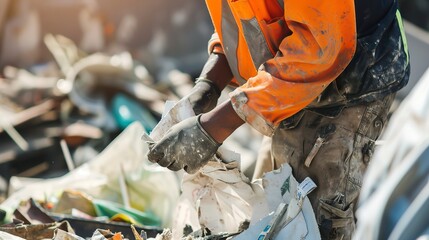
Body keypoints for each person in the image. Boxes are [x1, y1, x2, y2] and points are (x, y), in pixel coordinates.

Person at [147, 0, 410, 239]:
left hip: (349, 83)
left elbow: (319, 49)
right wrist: (208, 84)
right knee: (269, 215)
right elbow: (246, 17)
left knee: (312, 225)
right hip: (287, 73)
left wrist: (215, 126)